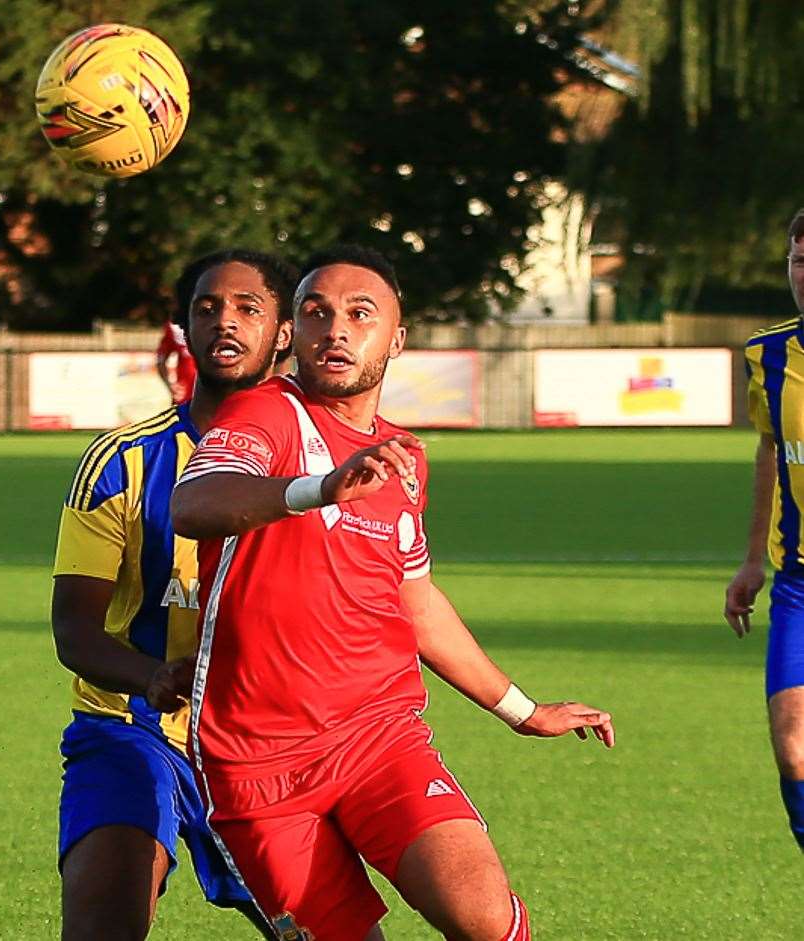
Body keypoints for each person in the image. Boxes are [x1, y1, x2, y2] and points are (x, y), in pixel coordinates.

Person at [170, 245, 615, 941]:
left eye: (359, 314)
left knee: (484, 915)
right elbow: (194, 502)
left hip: (381, 739)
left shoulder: (402, 456)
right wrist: (319, 488)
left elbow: (417, 602)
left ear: (396, 339)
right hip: (256, 765)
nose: (336, 330)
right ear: (294, 332)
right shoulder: (266, 413)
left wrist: (523, 710)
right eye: (316, 313)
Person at [51, 249, 299, 940]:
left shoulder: (313, 467)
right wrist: (154, 676)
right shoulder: (119, 462)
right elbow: (75, 632)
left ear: (283, 331)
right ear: (185, 329)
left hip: (269, 743)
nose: (225, 320)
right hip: (130, 731)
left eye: (249, 307)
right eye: (207, 307)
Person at [725, 208, 804, 851]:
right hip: (799, 583)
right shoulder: (767, 353)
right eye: (800, 261)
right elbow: (770, 451)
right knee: (795, 750)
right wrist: (753, 560)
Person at [156, 318, 197, 405]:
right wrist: (170, 386)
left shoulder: (219, 322)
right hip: (185, 397)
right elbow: (160, 361)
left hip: (214, 396)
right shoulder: (175, 327)